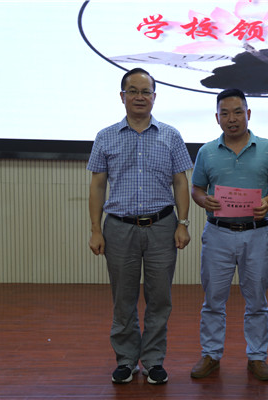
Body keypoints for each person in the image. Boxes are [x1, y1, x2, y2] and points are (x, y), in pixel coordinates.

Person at [87, 68, 193, 385]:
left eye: (145, 91)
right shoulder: (105, 136)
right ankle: (126, 360)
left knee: (159, 299)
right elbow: (97, 185)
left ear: (154, 97)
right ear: (122, 96)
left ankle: (153, 361)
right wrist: (95, 229)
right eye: (132, 91)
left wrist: (183, 223)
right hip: (119, 228)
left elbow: (180, 182)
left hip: (162, 226)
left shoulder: (171, 135)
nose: (139, 97)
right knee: (124, 299)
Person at [190, 88, 268, 381]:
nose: (231, 119)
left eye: (237, 112)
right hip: (217, 234)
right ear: (217, 117)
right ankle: (211, 354)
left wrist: (267, 201)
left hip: (256, 234)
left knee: (257, 299)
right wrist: (203, 200)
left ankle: (257, 357)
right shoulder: (206, 152)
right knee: (213, 299)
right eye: (225, 113)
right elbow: (196, 188)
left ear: (248, 114)